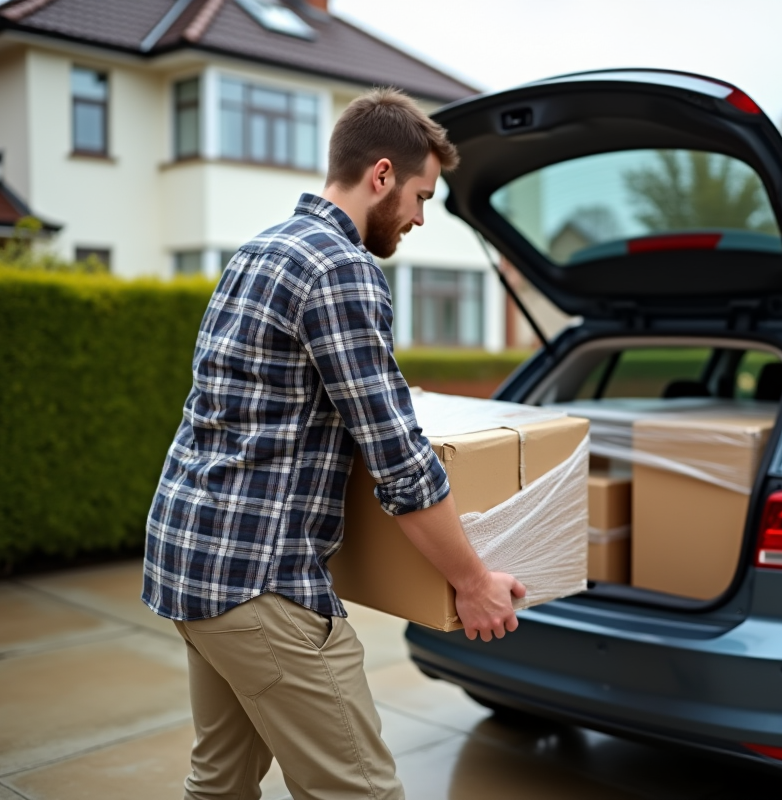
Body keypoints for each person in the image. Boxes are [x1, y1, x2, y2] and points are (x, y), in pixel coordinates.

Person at [142, 88, 525, 800]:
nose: (417, 217)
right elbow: (399, 462)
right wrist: (473, 584)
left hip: (189, 561)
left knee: (220, 783)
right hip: (260, 579)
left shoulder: (259, 250)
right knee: (361, 791)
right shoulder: (341, 268)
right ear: (380, 175)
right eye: (420, 195)